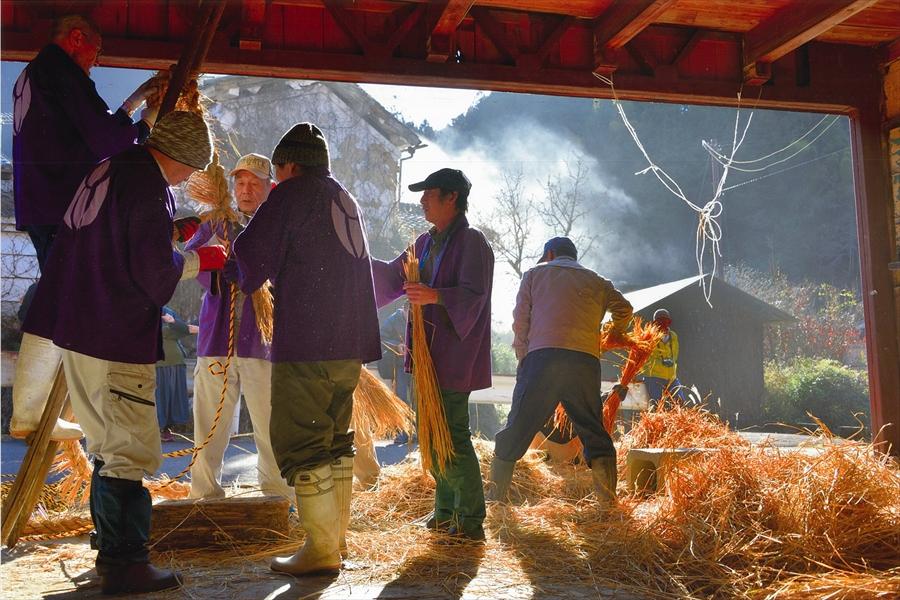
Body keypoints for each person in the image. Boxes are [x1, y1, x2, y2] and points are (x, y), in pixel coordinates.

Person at [21, 111, 223, 595]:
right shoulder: (148, 186)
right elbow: (153, 274)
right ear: (180, 158)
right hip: (114, 333)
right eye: (187, 171)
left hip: (78, 327)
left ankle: (109, 547)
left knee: (107, 447)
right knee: (129, 449)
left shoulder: (109, 169)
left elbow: (114, 242)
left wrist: (171, 231)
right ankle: (125, 563)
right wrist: (200, 258)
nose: (185, 180)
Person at [229, 123, 381, 576]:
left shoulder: (292, 194)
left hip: (309, 343)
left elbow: (249, 259)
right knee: (335, 442)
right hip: (349, 345)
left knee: (303, 441)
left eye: (276, 173)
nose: (274, 181)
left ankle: (319, 549)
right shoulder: (343, 197)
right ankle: (335, 542)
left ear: (289, 166)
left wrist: (226, 267)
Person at [10, 14, 164, 441]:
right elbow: (108, 141)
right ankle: (28, 412)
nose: (96, 62)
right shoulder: (61, 71)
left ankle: (38, 410)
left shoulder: (32, 75)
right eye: (96, 51)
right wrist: (146, 122)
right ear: (77, 38)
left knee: (63, 300)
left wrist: (131, 104)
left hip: (42, 203)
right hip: (66, 206)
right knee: (63, 303)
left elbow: (82, 129)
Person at [372, 167, 494, 541]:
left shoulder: (472, 242)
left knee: (452, 433)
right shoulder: (425, 243)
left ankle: (471, 520)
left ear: (451, 198)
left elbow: (475, 297)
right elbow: (392, 278)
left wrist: (436, 295)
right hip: (424, 356)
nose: (422, 200)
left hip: (453, 356)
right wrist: (352, 262)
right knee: (430, 433)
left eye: (429, 193)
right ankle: (444, 513)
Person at [488, 237, 633, 504]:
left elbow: (520, 321)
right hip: (584, 362)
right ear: (574, 256)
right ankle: (608, 506)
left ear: (550, 254)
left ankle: (495, 498)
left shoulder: (534, 274)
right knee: (593, 429)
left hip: (543, 359)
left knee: (519, 424)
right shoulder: (598, 281)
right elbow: (625, 309)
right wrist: (614, 332)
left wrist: (523, 357)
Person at [185, 153, 293, 504]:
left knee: (270, 425)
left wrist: (253, 271)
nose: (246, 190)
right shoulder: (216, 223)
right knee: (208, 425)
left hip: (263, 343)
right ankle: (204, 495)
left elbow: (292, 277)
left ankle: (276, 498)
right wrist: (214, 262)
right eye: (240, 183)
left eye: (254, 183)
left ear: (270, 188)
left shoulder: (281, 227)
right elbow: (188, 261)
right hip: (217, 339)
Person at [156, 307, 197, 442]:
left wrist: (174, 326)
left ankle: (166, 429)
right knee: (160, 396)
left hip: (177, 363)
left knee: (173, 397)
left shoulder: (168, 311)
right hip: (159, 364)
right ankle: (158, 429)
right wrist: (173, 329)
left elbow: (183, 329)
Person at [640, 308, 686, 405]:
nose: (663, 324)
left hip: (671, 377)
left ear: (669, 322)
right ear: (655, 323)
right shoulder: (648, 336)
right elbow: (643, 358)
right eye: (660, 321)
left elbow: (675, 354)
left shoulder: (673, 336)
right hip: (653, 377)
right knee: (657, 404)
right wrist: (661, 362)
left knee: (680, 402)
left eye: (666, 321)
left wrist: (670, 361)